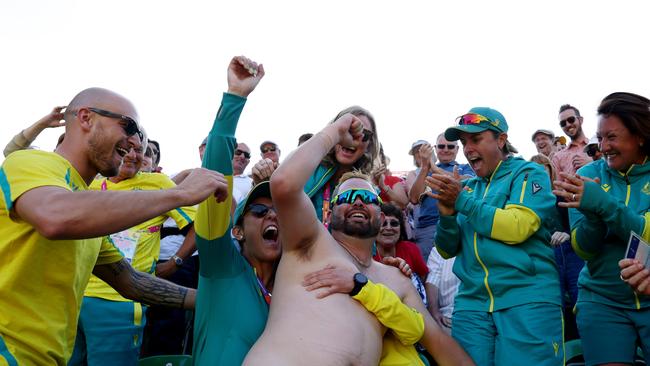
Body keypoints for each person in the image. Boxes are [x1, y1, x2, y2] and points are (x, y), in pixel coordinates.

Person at [0, 87, 227, 365]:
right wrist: (179, 193)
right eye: (128, 126)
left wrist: (215, 298)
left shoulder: (84, 206)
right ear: (85, 118)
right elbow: (53, 216)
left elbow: (130, 281)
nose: (135, 142)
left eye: (139, 135)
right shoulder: (31, 162)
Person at [246, 111, 473, 365]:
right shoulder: (310, 244)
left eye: (367, 198)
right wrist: (337, 129)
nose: (357, 201)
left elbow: (441, 346)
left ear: (381, 211)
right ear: (329, 214)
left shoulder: (395, 278)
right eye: (346, 197)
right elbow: (284, 183)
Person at [427, 107, 563, 365]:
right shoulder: (467, 187)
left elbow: (517, 227)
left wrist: (461, 201)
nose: (467, 149)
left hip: (527, 298)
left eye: (476, 139)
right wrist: (446, 215)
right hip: (471, 306)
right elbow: (446, 250)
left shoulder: (527, 173)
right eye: (464, 142)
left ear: (501, 140)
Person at [69, 131, 197, 365]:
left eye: (139, 150)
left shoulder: (158, 183)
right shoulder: (92, 184)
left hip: (120, 301)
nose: (131, 155)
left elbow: (197, 226)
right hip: (74, 297)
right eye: (125, 148)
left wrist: (175, 262)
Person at [553, 92, 650, 364]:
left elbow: (645, 231)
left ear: (640, 136)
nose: (603, 147)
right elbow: (583, 249)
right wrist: (593, 216)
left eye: (612, 137)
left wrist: (603, 204)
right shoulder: (587, 175)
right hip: (602, 300)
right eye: (600, 138)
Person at [531, 153, 583, 341]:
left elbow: (577, 225)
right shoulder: (525, 203)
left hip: (569, 250)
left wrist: (568, 233)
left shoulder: (561, 196)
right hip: (545, 256)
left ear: (551, 173)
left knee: (580, 300)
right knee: (554, 304)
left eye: (544, 172)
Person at [407, 133, 474, 261]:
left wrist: (433, 168)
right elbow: (414, 198)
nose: (446, 150)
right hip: (427, 227)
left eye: (450, 146)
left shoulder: (465, 168)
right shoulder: (425, 170)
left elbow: (466, 182)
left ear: (457, 149)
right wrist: (426, 167)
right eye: (441, 146)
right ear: (435, 148)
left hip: (456, 225)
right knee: (427, 274)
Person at [553, 104, 591, 175]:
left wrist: (592, 163)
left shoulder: (598, 145)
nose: (567, 124)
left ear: (580, 120)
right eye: (563, 123)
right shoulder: (558, 157)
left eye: (571, 120)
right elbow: (558, 184)